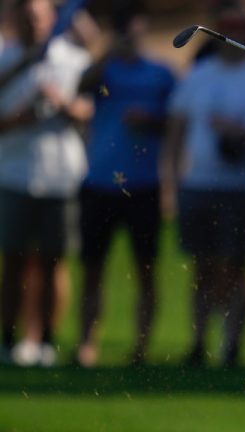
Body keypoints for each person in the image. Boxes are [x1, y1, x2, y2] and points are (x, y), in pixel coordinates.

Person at [162, 7, 245, 368]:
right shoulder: (199, 75)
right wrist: (171, 184)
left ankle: (232, 346)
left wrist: (236, 133)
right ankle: (198, 343)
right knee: (201, 267)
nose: (233, 38)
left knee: (235, 268)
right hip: (198, 184)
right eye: (226, 31)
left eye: (239, 30)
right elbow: (176, 132)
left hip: (239, 188)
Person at [75, 3, 175, 367]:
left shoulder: (161, 74)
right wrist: (106, 56)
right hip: (98, 183)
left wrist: (150, 120)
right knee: (91, 270)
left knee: (146, 271)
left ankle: (141, 348)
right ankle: (87, 344)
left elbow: (175, 125)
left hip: (144, 185)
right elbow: (81, 87)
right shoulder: (104, 71)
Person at [0, 0, 92, 366]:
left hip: (62, 176)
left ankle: (47, 342)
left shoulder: (73, 58)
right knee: (14, 263)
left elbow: (89, 107)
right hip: (13, 173)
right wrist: (17, 120)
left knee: (55, 263)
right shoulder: (6, 58)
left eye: (37, 18)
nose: (32, 25)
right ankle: (8, 340)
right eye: (25, 18)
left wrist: (64, 105)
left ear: (52, 19)